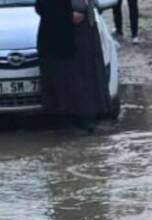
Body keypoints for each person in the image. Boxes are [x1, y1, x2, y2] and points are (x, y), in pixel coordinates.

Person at [35, 0, 111, 133]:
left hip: (85, 34)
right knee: (66, 80)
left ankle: (87, 116)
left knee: (87, 76)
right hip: (62, 38)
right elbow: (42, 7)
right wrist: (68, 17)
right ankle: (70, 120)